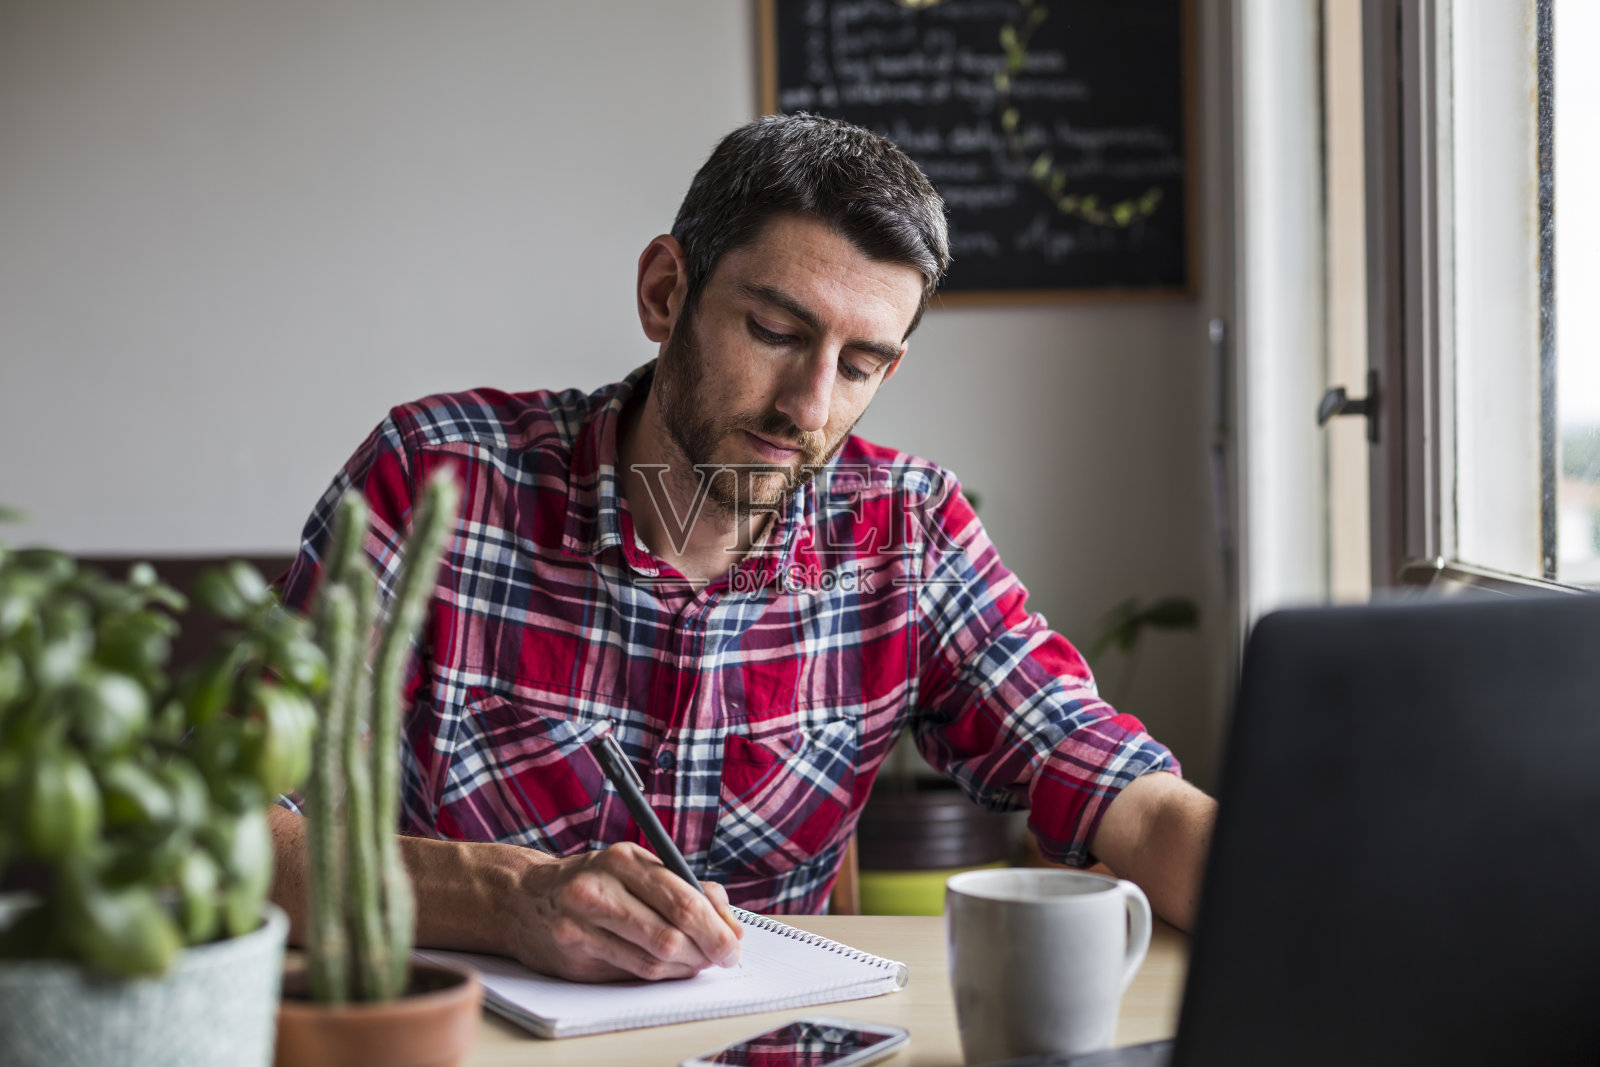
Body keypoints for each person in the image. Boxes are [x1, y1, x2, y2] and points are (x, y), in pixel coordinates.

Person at [267, 113, 1216, 984]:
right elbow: (231, 833)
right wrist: (506, 897)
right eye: (775, 331)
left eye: (860, 365)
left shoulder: (906, 530)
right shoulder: (433, 480)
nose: (809, 407)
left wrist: (1315, 906)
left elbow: (1118, 787)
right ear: (664, 291)